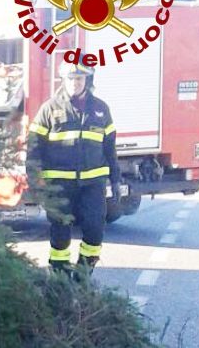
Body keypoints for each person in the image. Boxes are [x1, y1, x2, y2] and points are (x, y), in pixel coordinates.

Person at [26, 60, 119, 275]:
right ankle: (60, 276)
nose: (75, 83)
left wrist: (115, 179)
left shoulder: (101, 110)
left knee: (96, 228)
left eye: (79, 78)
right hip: (59, 185)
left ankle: (83, 275)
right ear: (63, 80)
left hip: (93, 184)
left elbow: (110, 148)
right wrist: (35, 181)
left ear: (87, 80)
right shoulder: (49, 109)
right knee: (60, 232)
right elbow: (33, 147)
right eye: (71, 78)